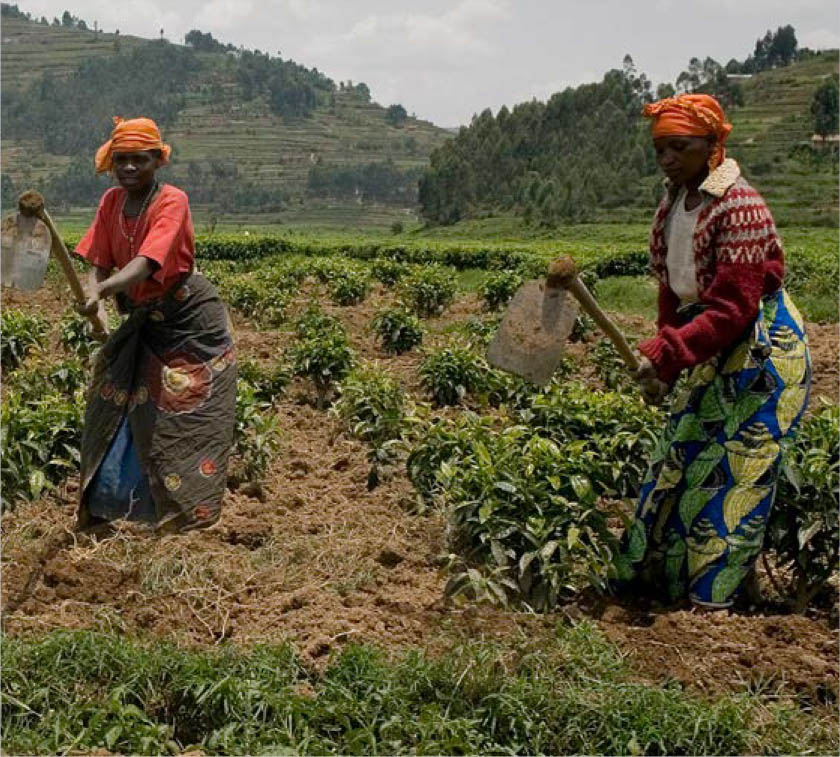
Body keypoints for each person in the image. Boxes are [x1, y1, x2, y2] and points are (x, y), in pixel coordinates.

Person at [614, 94, 811, 608]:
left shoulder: (739, 206)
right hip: (708, 342)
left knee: (732, 478)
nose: (668, 158)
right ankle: (660, 585)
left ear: (712, 145)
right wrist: (666, 352)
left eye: (679, 147)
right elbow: (670, 288)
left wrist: (671, 350)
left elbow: (731, 308)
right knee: (678, 460)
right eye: (660, 148)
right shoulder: (674, 201)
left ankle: (710, 605)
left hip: (759, 354)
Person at [74, 116, 237, 533]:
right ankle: (107, 507)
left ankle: (188, 518)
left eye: (139, 160)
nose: (129, 168)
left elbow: (148, 263)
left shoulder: (172, 201)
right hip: (145, 317)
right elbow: (97, 261)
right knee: (110, 401)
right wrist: (94, 295)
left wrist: (105, 289)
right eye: (121, 160)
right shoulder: (111, 202)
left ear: (157, 162)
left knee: (186, 413)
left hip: (190, 321)